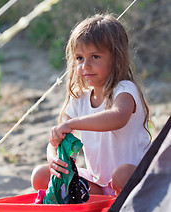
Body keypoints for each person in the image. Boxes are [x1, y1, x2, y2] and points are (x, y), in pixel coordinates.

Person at [31, 13, 151, 196]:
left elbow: (117, 117)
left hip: (133, 177)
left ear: (116, 57)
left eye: (95, 56)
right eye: (79, 58)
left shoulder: (125, 90)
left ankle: (119, 209)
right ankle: (98, 206)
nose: (85, 65)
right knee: (40, 175)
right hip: (99, 184)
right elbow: (57, 137)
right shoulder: (80, 98)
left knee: (121, 174)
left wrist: (72, 124)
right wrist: (53, 157)